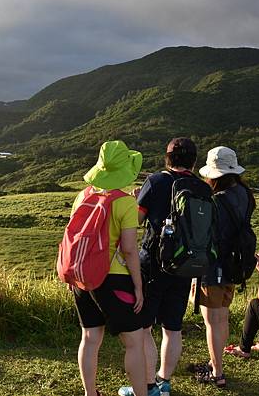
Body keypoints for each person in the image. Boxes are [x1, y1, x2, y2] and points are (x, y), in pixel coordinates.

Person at [119, 138, 211, 396]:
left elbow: (137, 219)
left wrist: (134, 200)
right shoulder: (202, 188)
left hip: (155, 261)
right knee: (173, 327)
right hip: (186, 265)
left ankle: (148, 387)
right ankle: (164, 381)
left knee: (146, 326)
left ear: (167, 158)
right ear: (194, 160)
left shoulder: (156, 181)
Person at [70, 140, 147, 396]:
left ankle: (90, 393)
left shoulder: (83, 194)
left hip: (82, 276)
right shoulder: (124, 203)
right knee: (134, 342)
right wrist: (138, 285)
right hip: (113, 278)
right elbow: (129, 249)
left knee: (90, 338)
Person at [193, 146, 255, 388]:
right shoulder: (245, 194)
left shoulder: (216, 201)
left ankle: (216, 372)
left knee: (212, 320)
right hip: (235, 263)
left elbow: (208, 235)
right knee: (223, 317)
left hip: (214, 265)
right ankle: (215, 361)